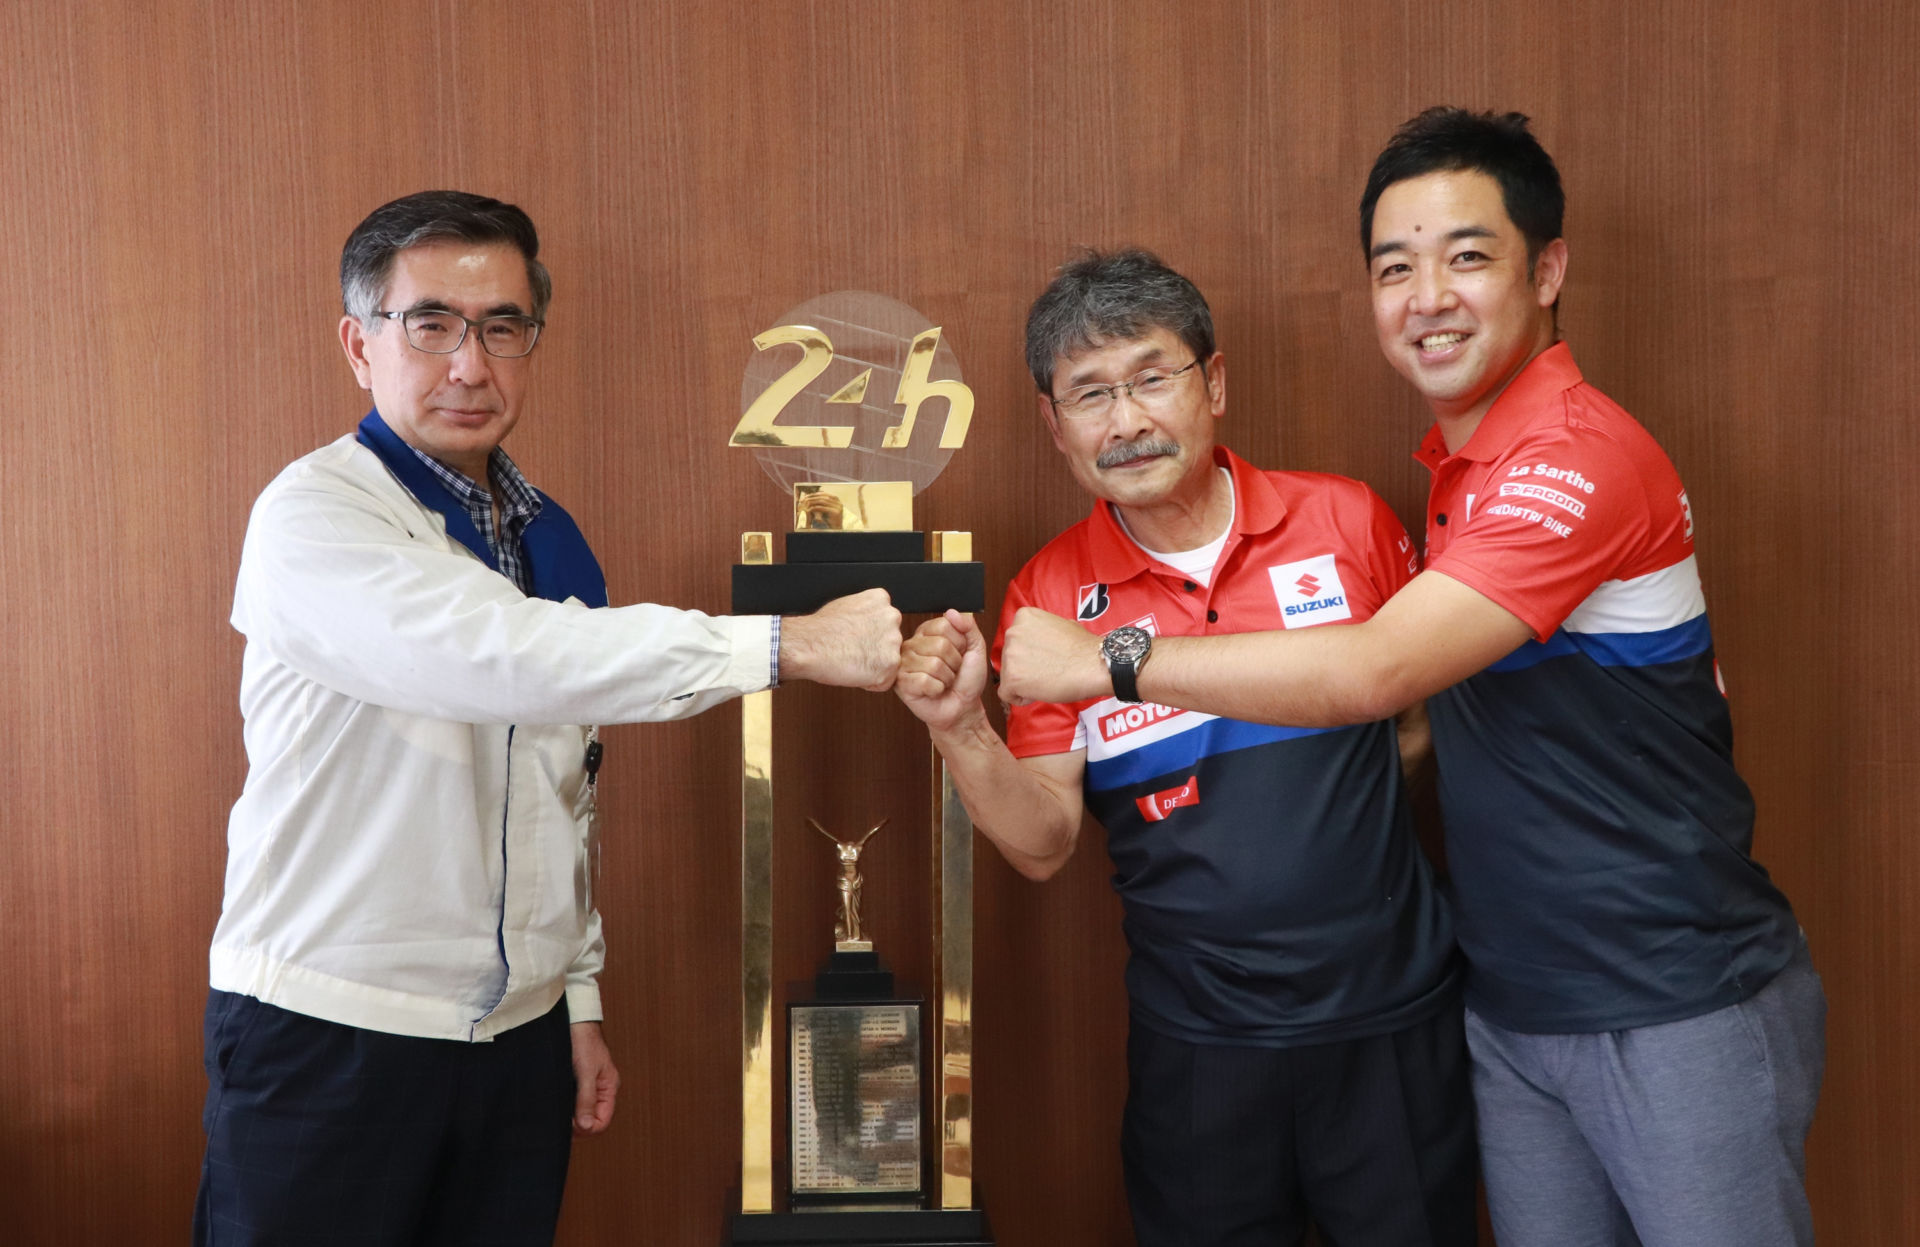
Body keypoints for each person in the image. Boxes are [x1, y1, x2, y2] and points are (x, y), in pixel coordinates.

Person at [997, 111, 1825, 1247]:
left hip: (1667, 987)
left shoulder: (1570, 458)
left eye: (1467, 255)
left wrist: (1106, 658)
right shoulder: (1458, 476)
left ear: (1549, 269)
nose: (1428, 294)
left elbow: (1381, 672)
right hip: (1507, 996)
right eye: (1397, 267)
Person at [195, 190, 903, 1246]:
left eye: (501, 327)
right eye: (428, 324)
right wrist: (787, 643)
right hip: (333, 1029)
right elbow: (499, 656)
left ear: (532, 342)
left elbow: (568, 785)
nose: (468, 363)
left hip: (516, 1041)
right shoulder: (316, 515)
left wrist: (573, 995)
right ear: (359, 345)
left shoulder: (545, 536)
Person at [897, 249, 1476, 1246]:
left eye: (1150, 377)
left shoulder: (1345, 519)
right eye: (1090, 394)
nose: (1125, 421)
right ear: (1054, 424)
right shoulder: (1046, 597)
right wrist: (960, 727)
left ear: (1213, 382)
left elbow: (1419, 730)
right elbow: (1041, 841)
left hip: (1389, 1025)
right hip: (1200, 1051)